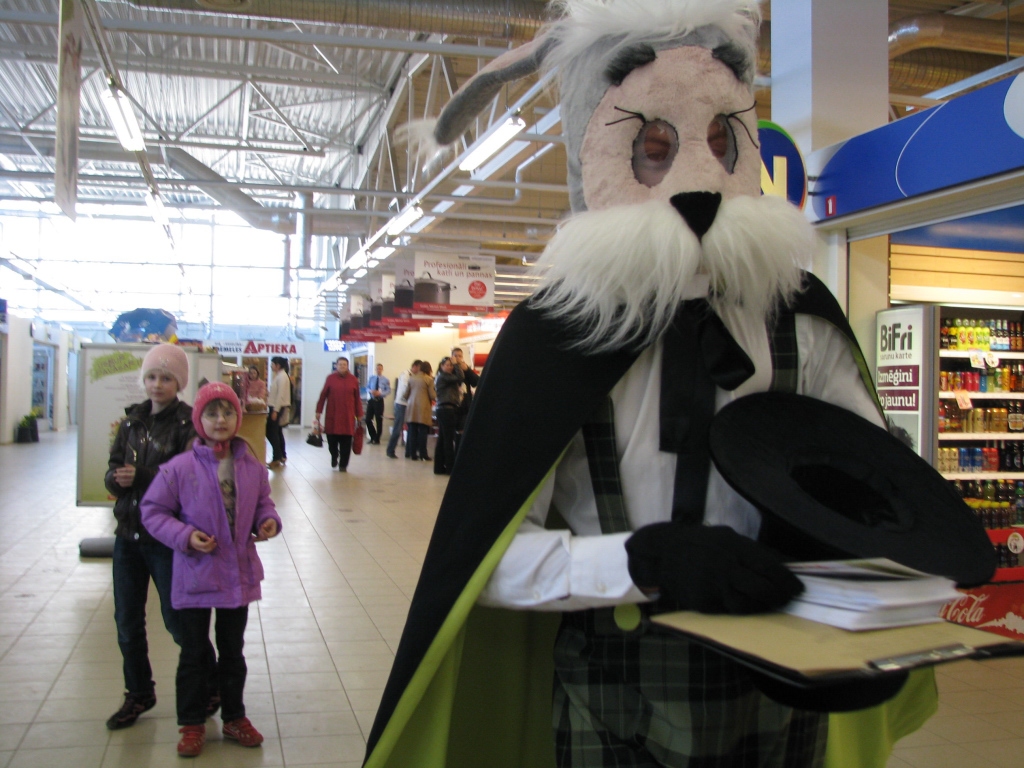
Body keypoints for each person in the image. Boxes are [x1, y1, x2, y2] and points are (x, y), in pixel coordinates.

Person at [363, 2, 939, 767]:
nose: (696, 182)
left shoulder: (802, 322)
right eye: (651, 146)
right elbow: (488, 564)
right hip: (615, 689)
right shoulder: (550, 341)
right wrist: (640, 561)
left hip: (786, 691)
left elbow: (883, 500)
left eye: (718, 141)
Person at [140, 382, 282, 758]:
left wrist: (268, 521)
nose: (221, 420)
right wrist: (185, 536)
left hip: (237, 575)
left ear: (238, 418)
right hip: (196, 575)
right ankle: (191, 723)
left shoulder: (250, 465)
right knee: (194, 655)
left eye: (228, 413)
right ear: (198, 419)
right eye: (212, 413)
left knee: (233, 652)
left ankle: (234, 716)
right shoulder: (179, 468)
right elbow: (152, 512)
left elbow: (263, 504)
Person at [103, 344, 218, 731]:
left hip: (167, 538)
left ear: (179, 383)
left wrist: (142, 477)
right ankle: (138, 692)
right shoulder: (132, 422)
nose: (157, 385)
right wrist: (115, 482)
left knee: (178, 621)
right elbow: (113, 469)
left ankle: (211, 684)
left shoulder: (190, 425)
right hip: (128, 536)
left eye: (166, 378)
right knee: (127, 621)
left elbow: (190, 479)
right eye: (151, 377)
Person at [315, 357, 364, 472]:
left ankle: (343, 465)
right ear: (336, 366)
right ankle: (334, 455)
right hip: (333, 415)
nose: (342, 366)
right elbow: (323, 395)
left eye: (344, 364)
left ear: (347, 366)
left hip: (348, 416)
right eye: (340, 364)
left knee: (346, 442)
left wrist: (359, 414)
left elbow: (357, 399)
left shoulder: (353, 380)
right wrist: (319, 410)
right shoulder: (330, 378)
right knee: (332, 440)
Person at [433, 357, 463, 475]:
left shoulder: (444, 377)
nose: (450, 367)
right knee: (448, 440)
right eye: (447, 365)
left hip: (443, 409)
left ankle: (439, 467)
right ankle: (450, 468)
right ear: (442, 366)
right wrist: (457, 365)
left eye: (451, 365)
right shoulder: (444, 376)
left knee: (442, 439)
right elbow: (460, 377)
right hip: (446, 410)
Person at [401, 360, 435, 461]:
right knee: (423, 432)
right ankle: (423, 454)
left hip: (412, 408)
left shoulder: (412, 378)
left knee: (412, 431)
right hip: (423, 408)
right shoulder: (429, 379)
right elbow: (432, 395)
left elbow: (406, 394)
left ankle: (412, 454)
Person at [386, 360, 420, 459]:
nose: (419, 371)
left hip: (409, 404)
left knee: (411, 428)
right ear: (414, 366)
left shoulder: (414, 376)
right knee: (397, 428)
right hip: (401, 404)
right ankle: (390, 450)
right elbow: (407, 387)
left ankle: (409, 451)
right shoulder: (405, 374)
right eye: (418, 369)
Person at [451, 347, 480, 455]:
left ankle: (460, 454)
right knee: (453, 433)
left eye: (460, 356)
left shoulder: (465, 368)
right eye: (455, 355)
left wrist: (467, 370)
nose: (458, 358)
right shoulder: (449, 368)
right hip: (453, 404)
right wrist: (455, 366)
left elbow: (476, 382)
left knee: (462, 431)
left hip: (465, 405)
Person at [266, 356, 291, 469]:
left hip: (277, 407)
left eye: (272, 364)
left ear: (278, 365)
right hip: (276, 406)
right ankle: (282, 455)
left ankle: (276, 457)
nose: (271, 366)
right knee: (278, 432)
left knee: (271, 432)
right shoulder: (280, 376)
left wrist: (275, 410)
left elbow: (280, 395)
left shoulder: (282, 377)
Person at [365, 363, 392, 444]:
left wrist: (380, 393)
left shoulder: (385, 380)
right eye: (377, 368)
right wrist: (371, 391)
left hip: (379, 401)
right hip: (372, 400)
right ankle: (372, 436)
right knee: (368, 419)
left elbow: (388, 390)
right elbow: (367, 387)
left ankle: (377, 439)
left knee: (378, 420)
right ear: (375, 369)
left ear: (382, 369)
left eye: (380, 368)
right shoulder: (372, 378)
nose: (378, 370)